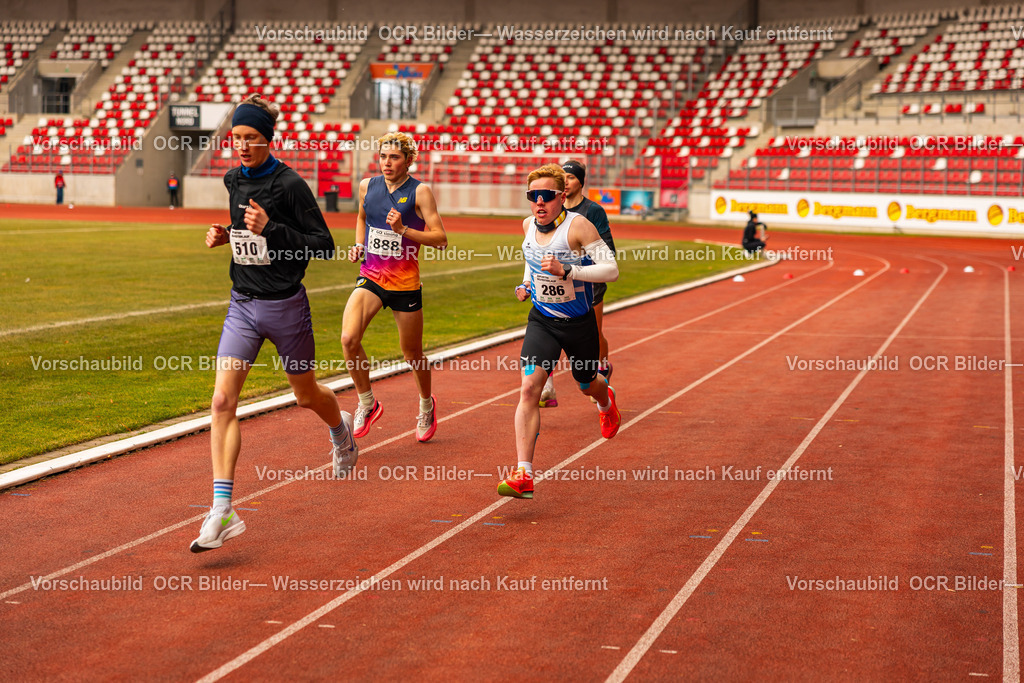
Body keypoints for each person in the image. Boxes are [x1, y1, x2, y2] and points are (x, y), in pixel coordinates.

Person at [191, 93, 357, 553]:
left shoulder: (290, 185)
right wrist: (226, 235)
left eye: (252, 138)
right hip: (242, 303)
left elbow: (322, 245)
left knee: (306, 396)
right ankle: (222, 510)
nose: (242, 146)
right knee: (223, 398)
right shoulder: (231, 179)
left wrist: (271, 229)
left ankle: (341, 431)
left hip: (286, 307)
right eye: (237, 138)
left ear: (268, 139)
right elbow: (247, 236)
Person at [498, 163, 621, 500]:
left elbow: (611, 270)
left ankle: (605, 400)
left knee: (587, 385)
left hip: (579, 325)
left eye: (547, 196)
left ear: (562, 196)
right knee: (528, 389)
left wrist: (569, 269)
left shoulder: (577, 226)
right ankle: (524, 473)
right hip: (543, 321)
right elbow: (531, 257)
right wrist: (525, 283)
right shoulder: (528, 225)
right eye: (533, 196)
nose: (540, 202)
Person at [341, 132, 447, 442]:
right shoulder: (367, 186)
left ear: (409, 160)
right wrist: (359, 244)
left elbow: (441, 240)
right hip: (371, 277)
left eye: (394, 157)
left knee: (412, 353)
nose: (387, 162)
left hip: (404, 284)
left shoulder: (420, 192)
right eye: (383, 156)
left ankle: (426, 405)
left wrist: (403, 230)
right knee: (349, 338)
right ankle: (367, 403)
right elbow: (362, 218)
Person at [538, 159, 615, 408]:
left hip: (588, 283)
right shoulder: (550, 209)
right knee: (549, 331)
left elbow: (607, 253)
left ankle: (600, 370)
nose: (566, 182)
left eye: (570, 177)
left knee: (594, 333)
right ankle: (547, 388)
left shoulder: (592, 211)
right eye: (563, 178)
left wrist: (574, 268)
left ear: (580, 182)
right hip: (554, 286)